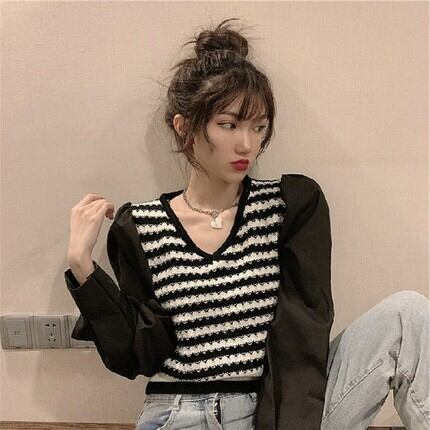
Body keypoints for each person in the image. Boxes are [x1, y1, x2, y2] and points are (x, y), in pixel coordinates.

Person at [64, 17, 429, 430]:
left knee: (407, 314)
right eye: (229, 124)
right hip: (183, 412)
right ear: (185, 129)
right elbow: (138, 356)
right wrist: (83, 267)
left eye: (258, 127)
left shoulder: (289, 207)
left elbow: (303, 334)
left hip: (278, 408)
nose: (247, 144)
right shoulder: (142, 226)